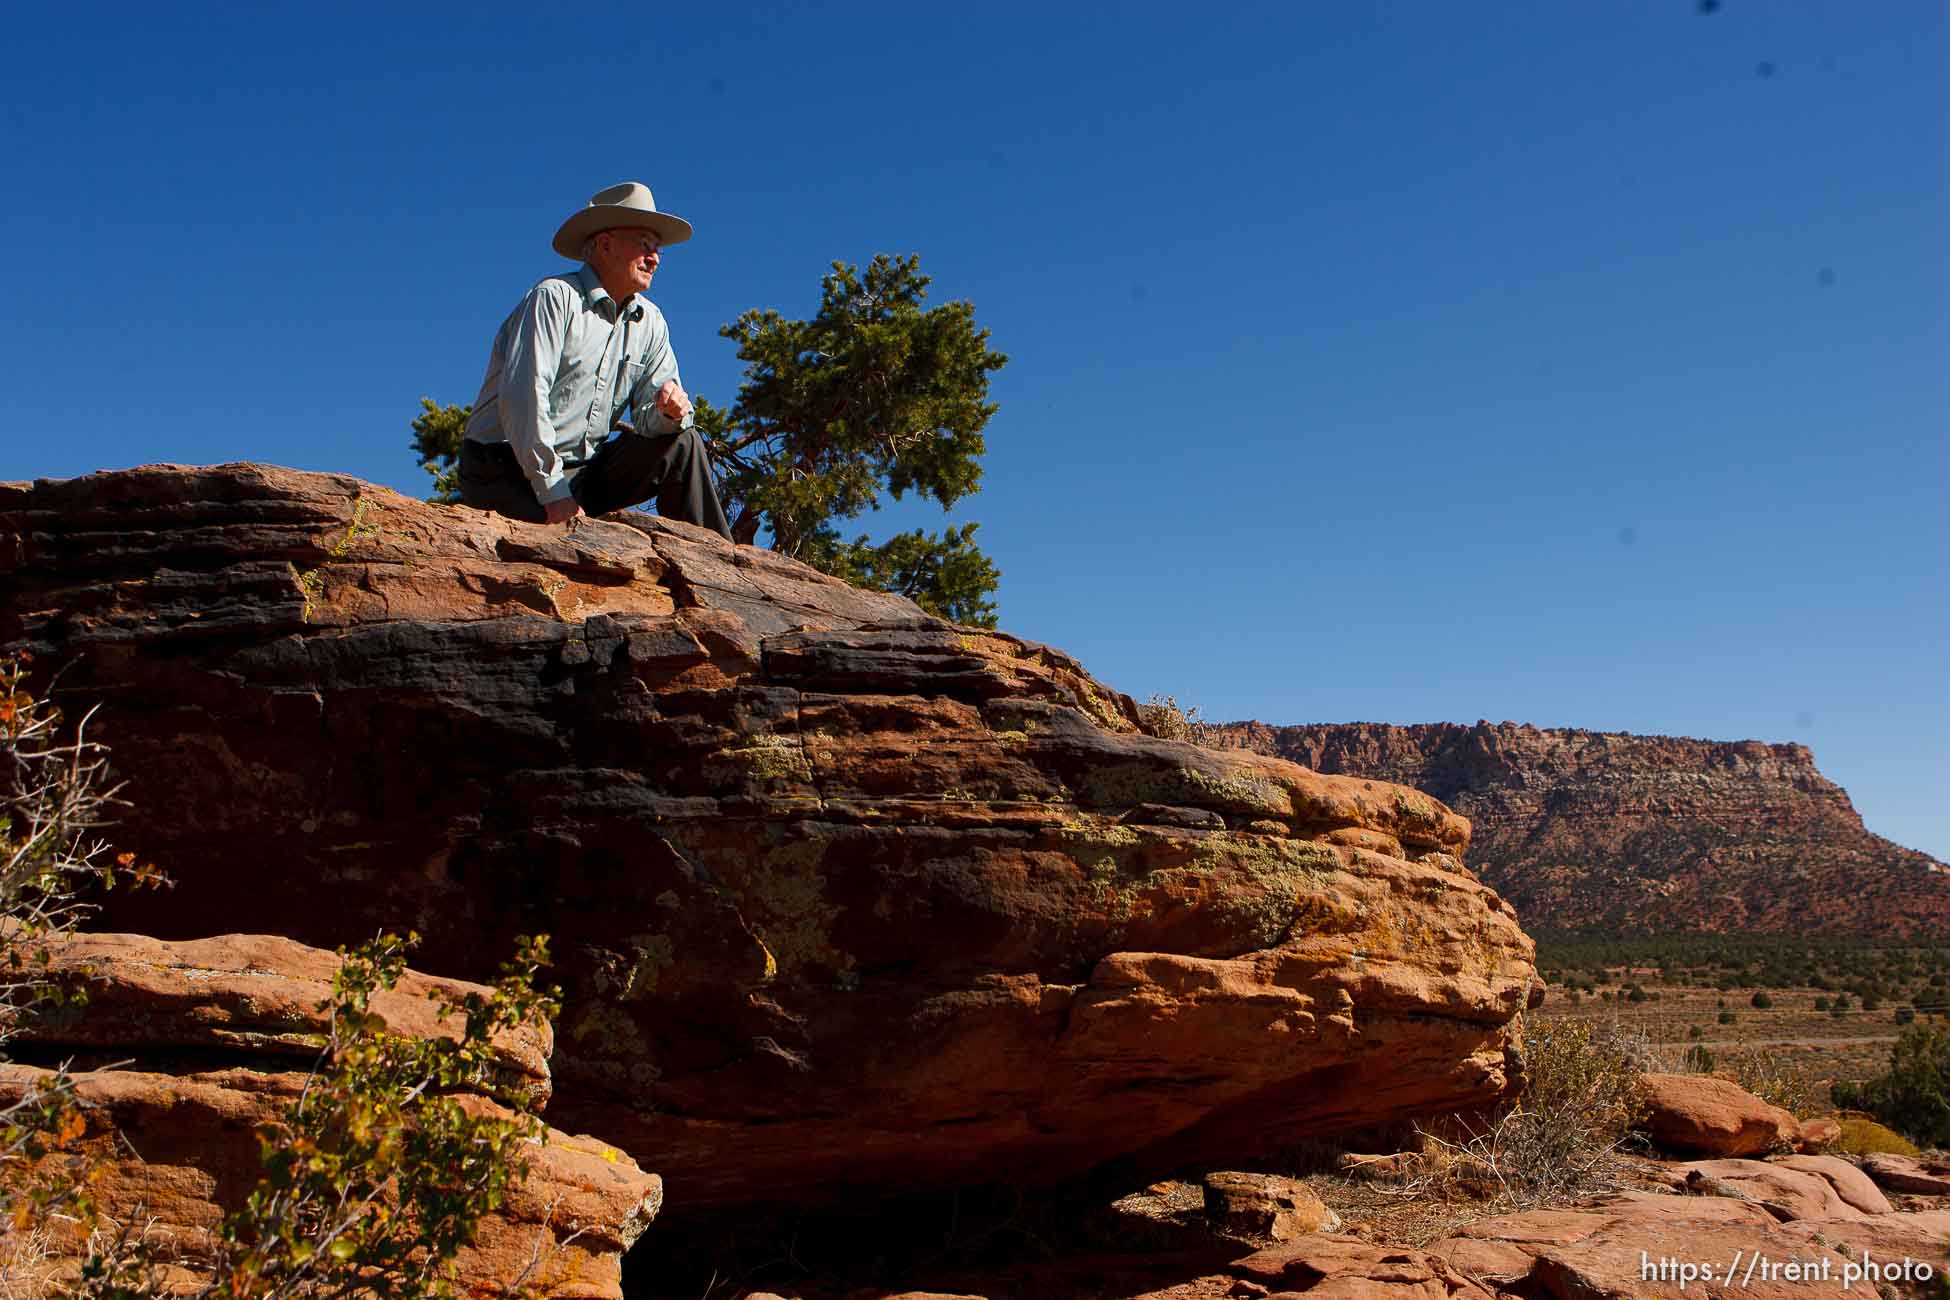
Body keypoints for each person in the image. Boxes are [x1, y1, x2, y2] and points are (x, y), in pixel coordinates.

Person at [458, 182, 733, 539]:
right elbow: (524, 399)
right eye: (645, 244)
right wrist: (555, 496)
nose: (655, 258)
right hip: (501, 466)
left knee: (684, 443)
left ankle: (718, 559)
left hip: (581, 473)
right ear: (605, 245)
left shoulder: (651, 322)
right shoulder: (555, 298)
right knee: (566, 545)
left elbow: (650, 423)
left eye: (658, 249)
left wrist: (669, 414)